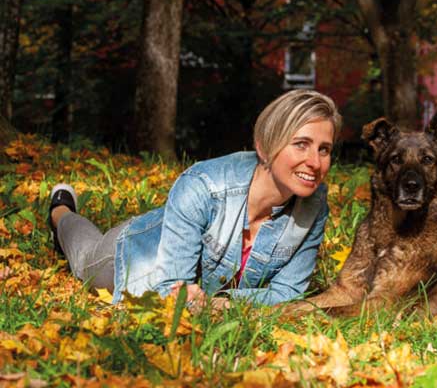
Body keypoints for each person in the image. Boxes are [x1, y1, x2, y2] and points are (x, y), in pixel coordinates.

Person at [47, 89, 342, 311]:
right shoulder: (204, 185)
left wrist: (219, 304)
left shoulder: (314, 207)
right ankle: (60, 212)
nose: (315, 162)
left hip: (192, 276)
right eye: (301, 144)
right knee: (85, 260)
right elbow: (171, 290)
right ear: (265, 147)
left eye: (324, 149)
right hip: (134, 257)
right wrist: (199, 299)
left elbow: (288, 292)